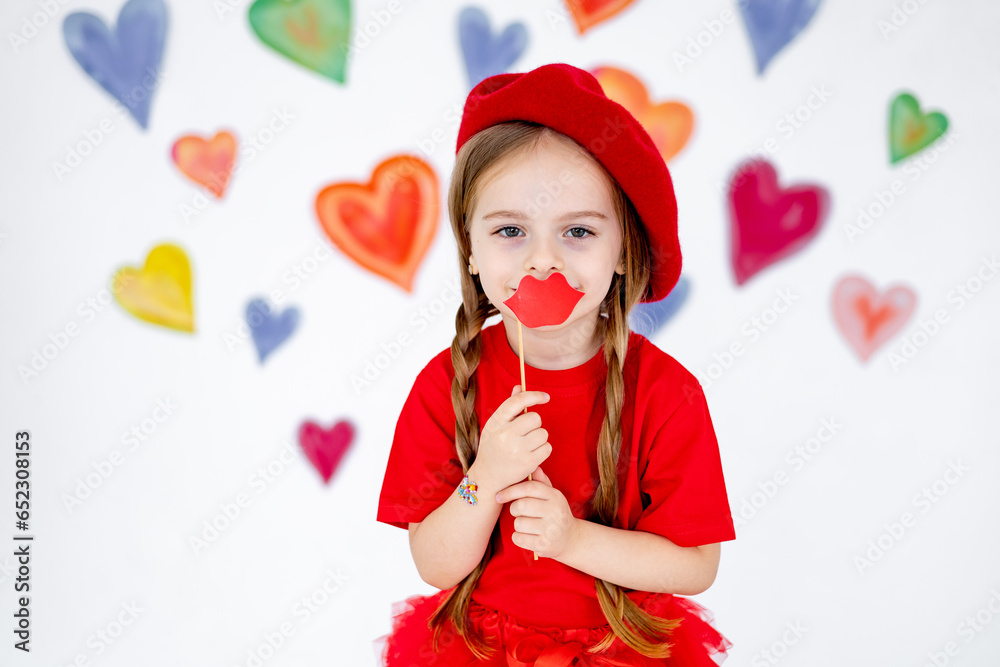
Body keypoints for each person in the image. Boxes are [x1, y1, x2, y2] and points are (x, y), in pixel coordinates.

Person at [375, 63, 736, 666]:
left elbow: (696, 566)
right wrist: (485, 478)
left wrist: (572, 539)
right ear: (471, 249)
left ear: (624, 250)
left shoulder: (666, 394)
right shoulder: (446, 385)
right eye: (511, 230)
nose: (542, 262)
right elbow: (433, 563)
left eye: (578, 232)